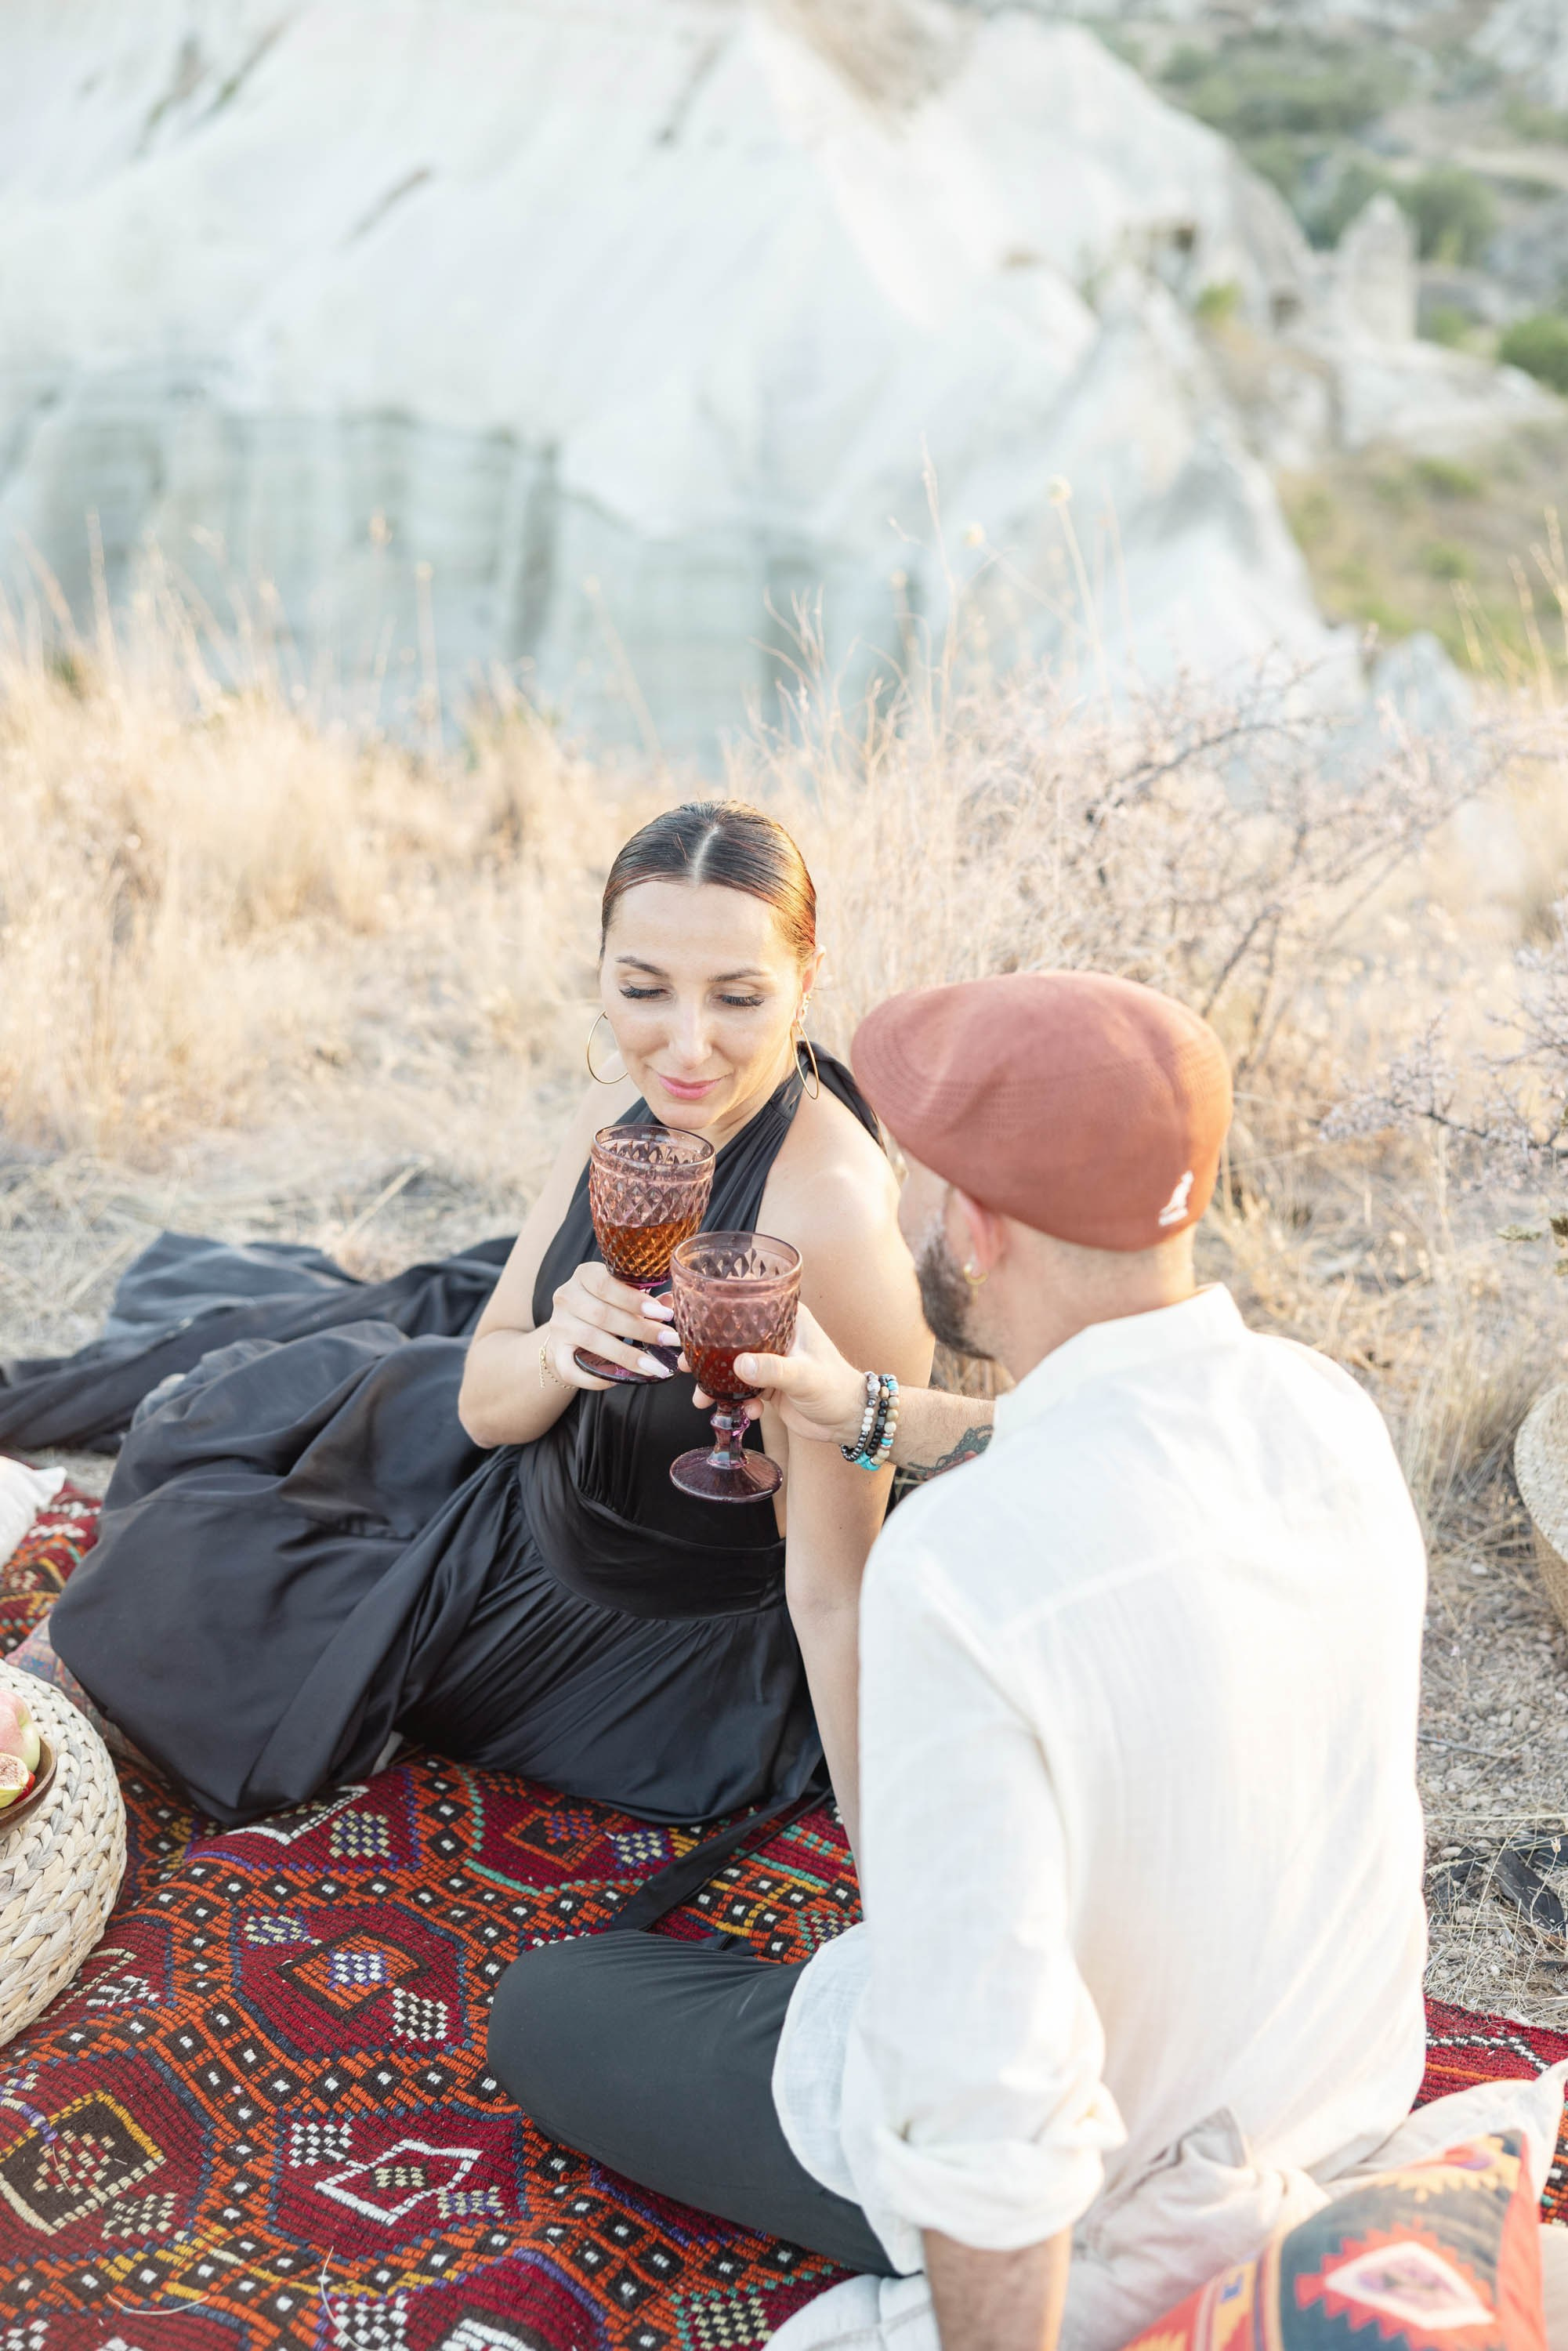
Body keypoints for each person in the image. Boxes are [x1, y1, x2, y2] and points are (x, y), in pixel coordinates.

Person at [485, 968, 1463, 2351]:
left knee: (555, 2004)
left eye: (940, 1192)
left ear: (981, 1226)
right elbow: (1086, 1441)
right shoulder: (1322, 1413)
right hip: (1329, 2086)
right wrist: (858, 1406)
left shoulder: (962, 1570)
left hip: (1101, 2167)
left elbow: (986, 2102)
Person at [26, 802, 932, 1825]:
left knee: (173, 1586)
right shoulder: (621, 1108)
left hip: (656, 1636)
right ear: (601, 971)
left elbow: (832, 1587)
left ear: (807, 978)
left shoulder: (831, 1217)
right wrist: (558, 1351)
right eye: (642, 988)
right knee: (213, 1423)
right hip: (527, 1486)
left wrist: (885, 1877)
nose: (686, 1046)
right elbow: (488, 1400)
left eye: (737, 997)